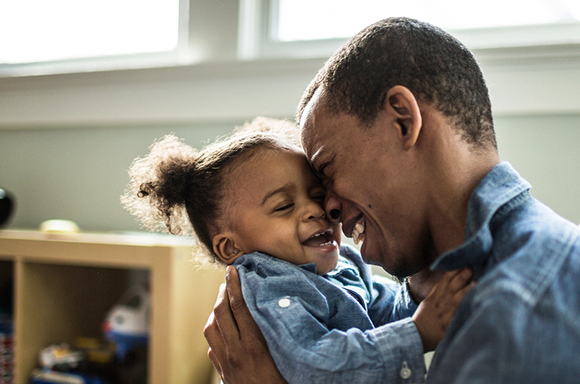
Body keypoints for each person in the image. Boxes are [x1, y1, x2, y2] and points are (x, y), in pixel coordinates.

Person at [204, 17, 580, 383]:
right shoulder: (564, 252)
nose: (328, 207)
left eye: (327, 171)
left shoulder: (517, 317)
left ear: (403, 120)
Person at [122, 117, 474, 384]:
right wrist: (417, 333)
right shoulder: (269, 288)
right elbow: (314, 363)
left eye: (317, 195)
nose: (315, 210)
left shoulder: (339, 266)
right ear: (231, 247)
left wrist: (419, 295)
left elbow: (379, 314)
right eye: (283, 206)